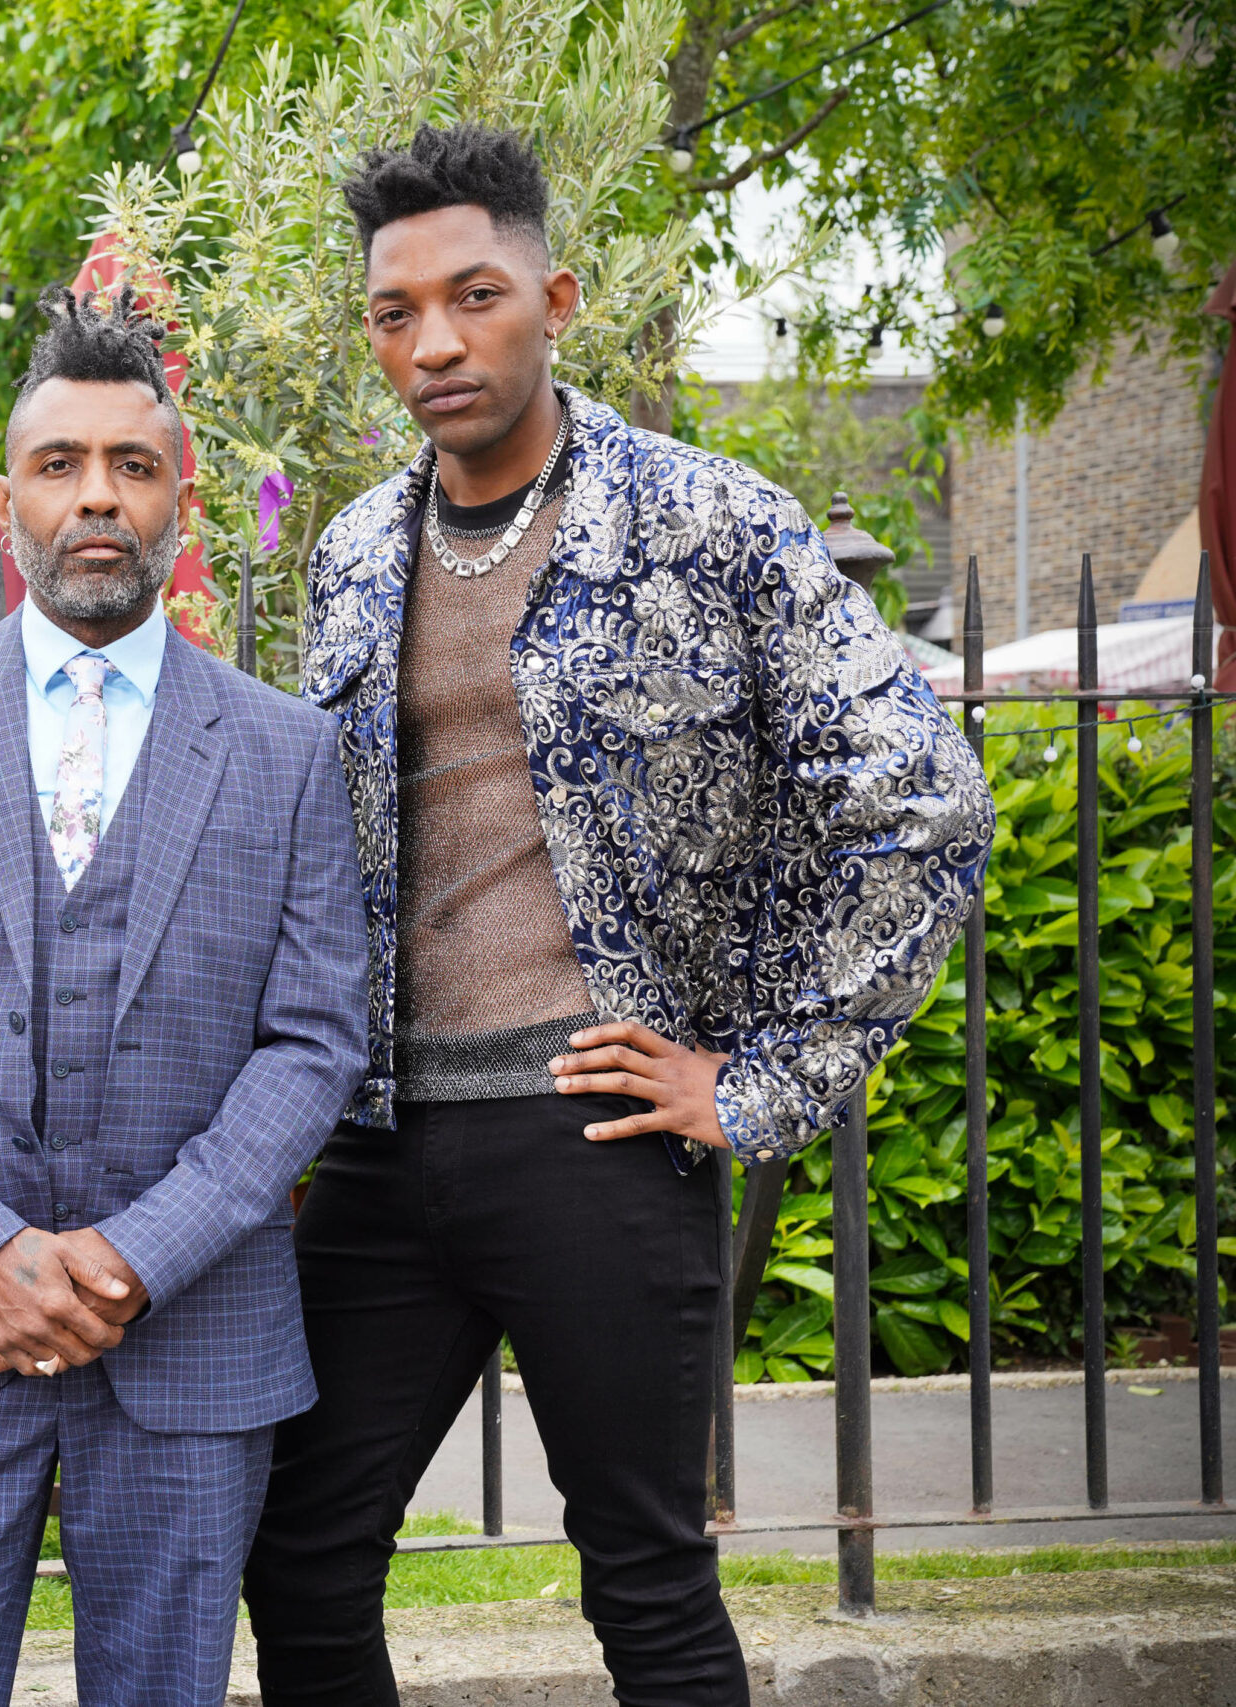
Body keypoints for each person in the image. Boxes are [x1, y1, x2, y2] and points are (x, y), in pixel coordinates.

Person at [237, 126, 995, 1704]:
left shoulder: (709, 523)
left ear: (555, 297)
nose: (435, 342)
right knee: (299, 1553)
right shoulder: (361, 552)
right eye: (394, 313)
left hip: (593, 1134)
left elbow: (923, 802)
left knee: (642, 1580)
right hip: (382, 1145)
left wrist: (763, 1075)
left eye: (475, 295)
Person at [0, 286, 370, 1707]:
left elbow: (312, 1044)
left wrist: (128, 1260)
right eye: (60, 466)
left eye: (132, 466)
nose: (95, 498)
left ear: (182, 501)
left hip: (191, 1333)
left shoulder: (288, 752)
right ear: (7, 507)